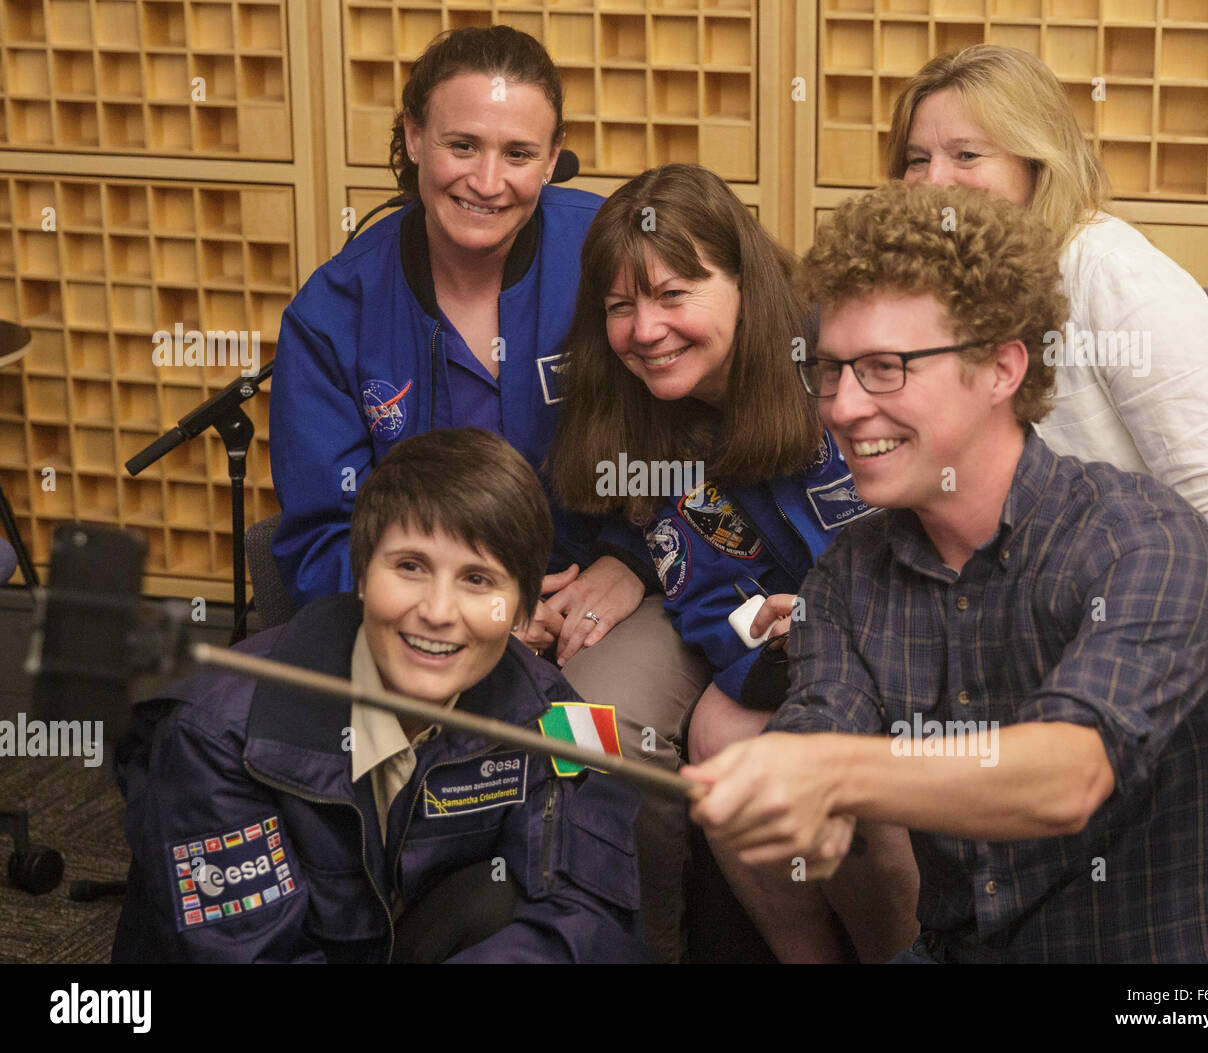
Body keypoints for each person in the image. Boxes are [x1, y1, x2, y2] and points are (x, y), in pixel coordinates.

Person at [686, 180, 1208, 963]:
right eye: (830, 370)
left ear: (1003, 368)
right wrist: (796, 802)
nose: (843, 406)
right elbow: (821, 730)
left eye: (886, 367)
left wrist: (827, 771)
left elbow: (1068, 772)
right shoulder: (846, 580)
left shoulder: (1150, 542)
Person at [266, 26, 709, 961]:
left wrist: (633, 563)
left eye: (518, 153)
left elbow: (707, 418)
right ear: (414, 138)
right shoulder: (333, 310)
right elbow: (318, 540)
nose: (487, 179)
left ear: (553, 158)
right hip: (428, 609)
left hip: (598, 601)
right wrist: (472, 614)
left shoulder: (608, 253)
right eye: (462, 144)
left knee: (595, 753)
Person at [887, 43, 1208, 957]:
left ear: (1037, 164)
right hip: (1097, 612)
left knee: (1153, 808)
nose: (933, 180)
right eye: (916, 158)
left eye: (968, 155)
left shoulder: (1105, 269)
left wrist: (1141, 655)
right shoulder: (944, 302)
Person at [548, 163, 919, 961]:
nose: (645, 330)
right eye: (621, 307)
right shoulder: (644, 415)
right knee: (703, 725)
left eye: (674, 294)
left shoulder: (840, 367)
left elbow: (933, 542)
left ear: (742, 282)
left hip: (908, 635)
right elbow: (708, 595)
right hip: (785, 651)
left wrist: (829, 652)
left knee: (848, 761)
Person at [112, 429, 646, 963]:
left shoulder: (562, 714)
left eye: (479, 580)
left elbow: (593, 914)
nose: (439, 611)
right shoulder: (214, 733)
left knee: (505, 900)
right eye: (410, 567)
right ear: (363, 575)